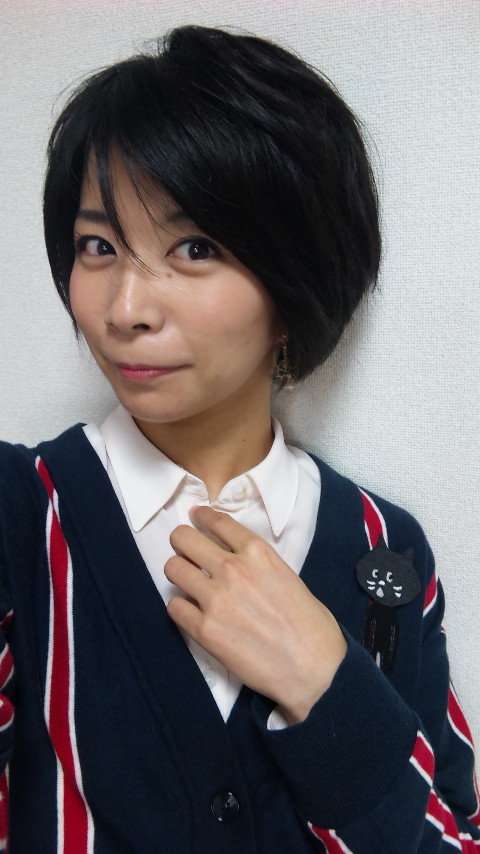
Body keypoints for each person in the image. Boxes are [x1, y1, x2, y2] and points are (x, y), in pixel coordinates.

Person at [0, 23, 478, 853]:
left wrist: (326, 685)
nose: (124, 309)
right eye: (98, 246)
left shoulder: (387, 552)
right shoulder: (16, 515)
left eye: (193, 247)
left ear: (295, 275)